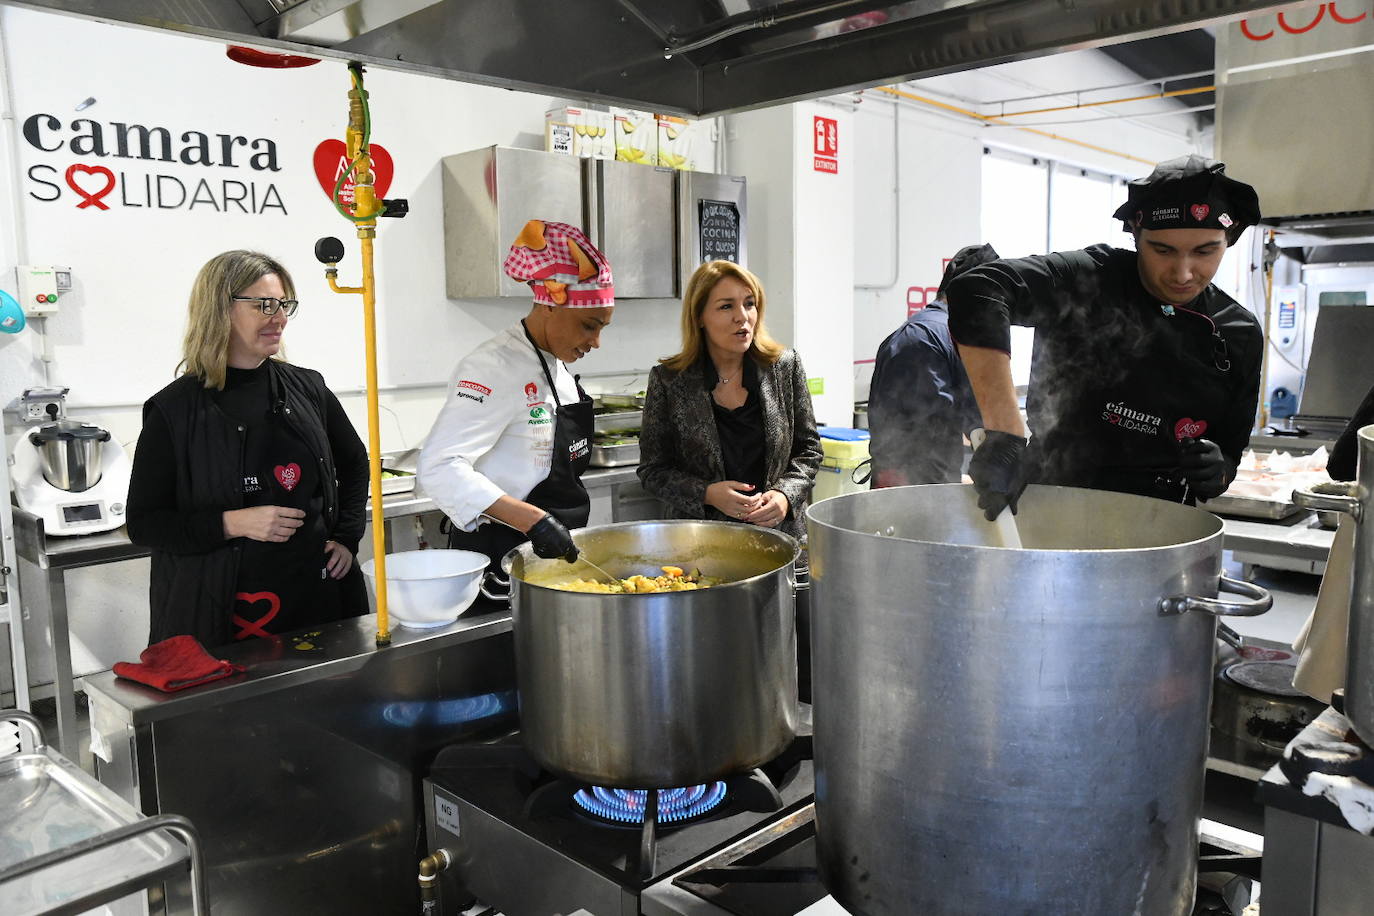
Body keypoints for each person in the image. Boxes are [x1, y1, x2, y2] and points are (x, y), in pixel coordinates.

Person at [947, 155, 1264, 519]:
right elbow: (978, 289)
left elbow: (1229, 453)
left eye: (1206, 251)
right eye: (1162, 250)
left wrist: (1216, 468)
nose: (1183, 273)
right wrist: (1005, 432)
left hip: (1160, 521)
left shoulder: (1237, 332)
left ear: (1229, 239)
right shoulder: (1089, 280)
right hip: (1051, 500)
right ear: (1135, 234)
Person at [128, 250, 369, 648]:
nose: (279, 318)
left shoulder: (308, 388)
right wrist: (234, 523)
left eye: (284, 304)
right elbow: (145, 523)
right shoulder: (175, 410)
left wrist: (346, 537)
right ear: (220, 309)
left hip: (315, 597)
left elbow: (355, 462)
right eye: (264, 305)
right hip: (218, 612)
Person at [418, 219, 613, 585]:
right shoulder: (491, 367)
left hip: (552, 553)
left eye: (603, 327)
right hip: (502, 557)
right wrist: (533, 521)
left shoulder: (557, 365)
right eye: (589, 325)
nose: (596, 342)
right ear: (549, 307)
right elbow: (439, 466)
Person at [637, 260, 822, 540]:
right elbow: (652, 470)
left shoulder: (784, 367)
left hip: (779, 538)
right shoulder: (669, 380)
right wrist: (708, 494)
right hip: (699, 542)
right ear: (699, 316)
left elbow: (809, 450)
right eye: (726, 306)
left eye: (749, 303)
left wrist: (785, 496)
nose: (742, 316)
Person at [867, 243, 999, 487]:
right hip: (908, 495)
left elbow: (968, 406)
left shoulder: (951, 336)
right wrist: (952, 488)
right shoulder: (922, 340)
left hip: (928, 490)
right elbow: (927, 437)